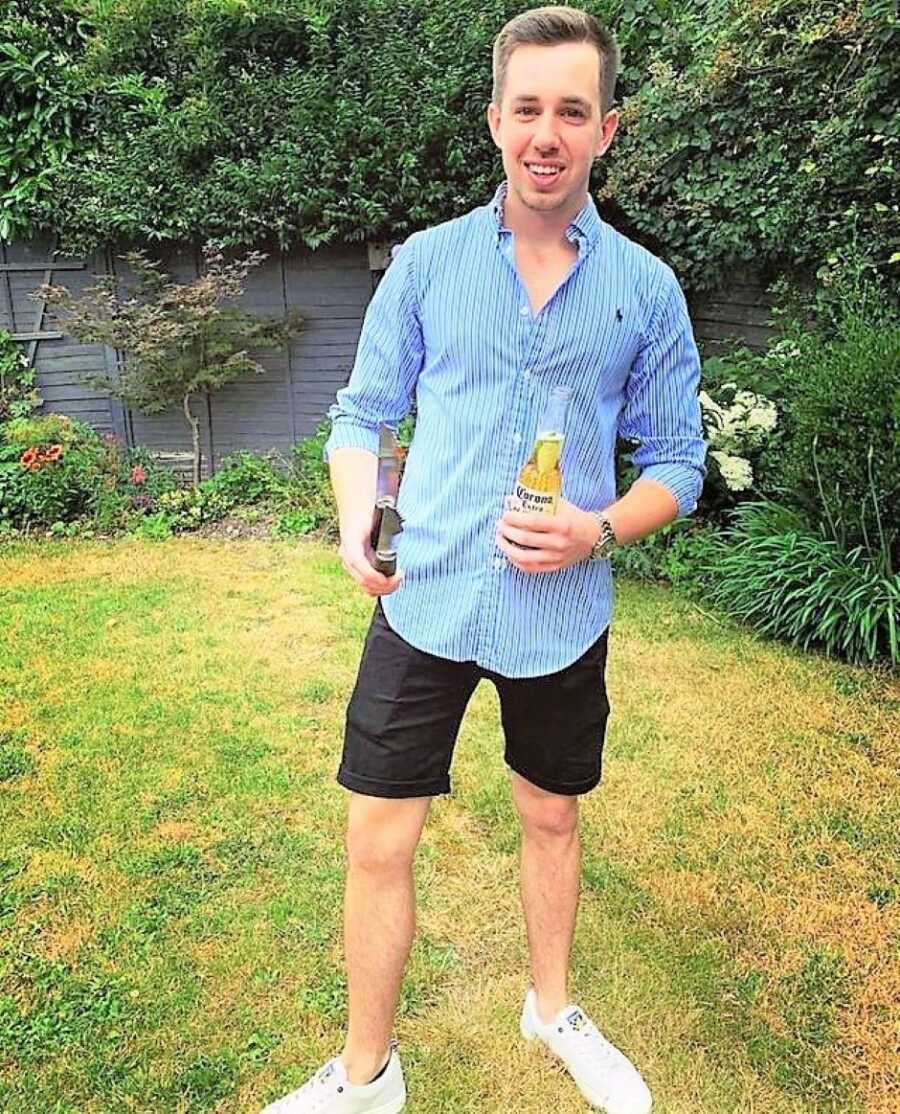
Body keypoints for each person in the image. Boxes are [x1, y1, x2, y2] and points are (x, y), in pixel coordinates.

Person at [261, 6, 706, 1113]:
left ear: (608, 128)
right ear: (496, 121)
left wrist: (597, 529)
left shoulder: (644, 289)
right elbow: (359, 417)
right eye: (527, 107)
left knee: (551, 813)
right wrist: (360, 516)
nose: (546, 131)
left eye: (572, 108)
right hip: (427, 599)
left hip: (562, 612)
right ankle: (365, 1075)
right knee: (378, 831)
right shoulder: (426, 264)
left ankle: (550, 1006)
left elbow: (681, 464)